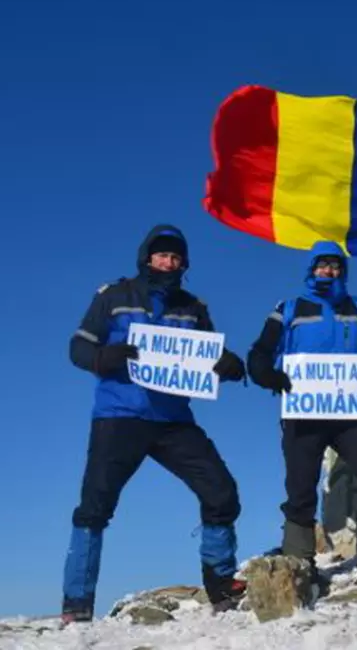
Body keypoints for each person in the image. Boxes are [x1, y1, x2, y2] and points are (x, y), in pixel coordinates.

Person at [61, 224, 249, 622]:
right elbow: (78, 346)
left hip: (173, 420)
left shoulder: (193, 305)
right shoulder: (114, 296)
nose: (169, 261)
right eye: (162, 255)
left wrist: (228, 364)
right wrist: (101, 358)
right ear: (147, 257)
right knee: (94, 507)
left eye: (176, 256)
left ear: (184, 263)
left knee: (221, 492)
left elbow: (206, 354)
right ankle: (76, 605)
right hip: (119, 415)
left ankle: (221, 586)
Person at [246, 240, 357, 587]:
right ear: (311, 269)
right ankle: (299, 561)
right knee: (300, 489)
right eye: (322, 265)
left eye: (335, 265)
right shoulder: (290, 308)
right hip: (304, 414)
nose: (329, 271)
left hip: (350, 415)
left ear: (343, 270)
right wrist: (267, 374)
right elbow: (260, 352)